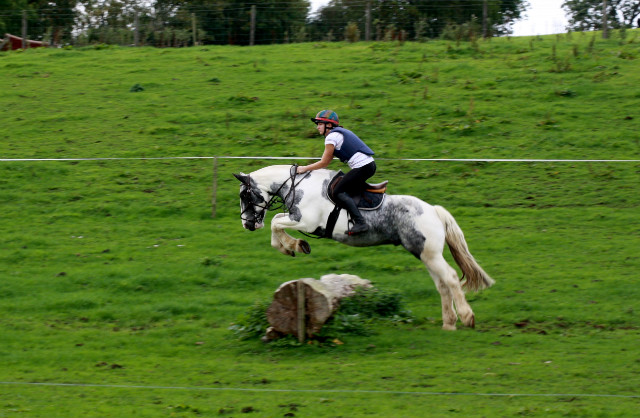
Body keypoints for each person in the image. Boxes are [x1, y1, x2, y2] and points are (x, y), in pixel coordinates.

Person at [297, 110, 376, 235]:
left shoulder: (331, 137)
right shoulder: (338, 133)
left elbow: (324, 163)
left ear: (329, 125)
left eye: (319, 124)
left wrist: (304, 168)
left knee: (338, 191)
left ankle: (361, 223)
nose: (317, 127)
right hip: (368, 166)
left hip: (363, 167)